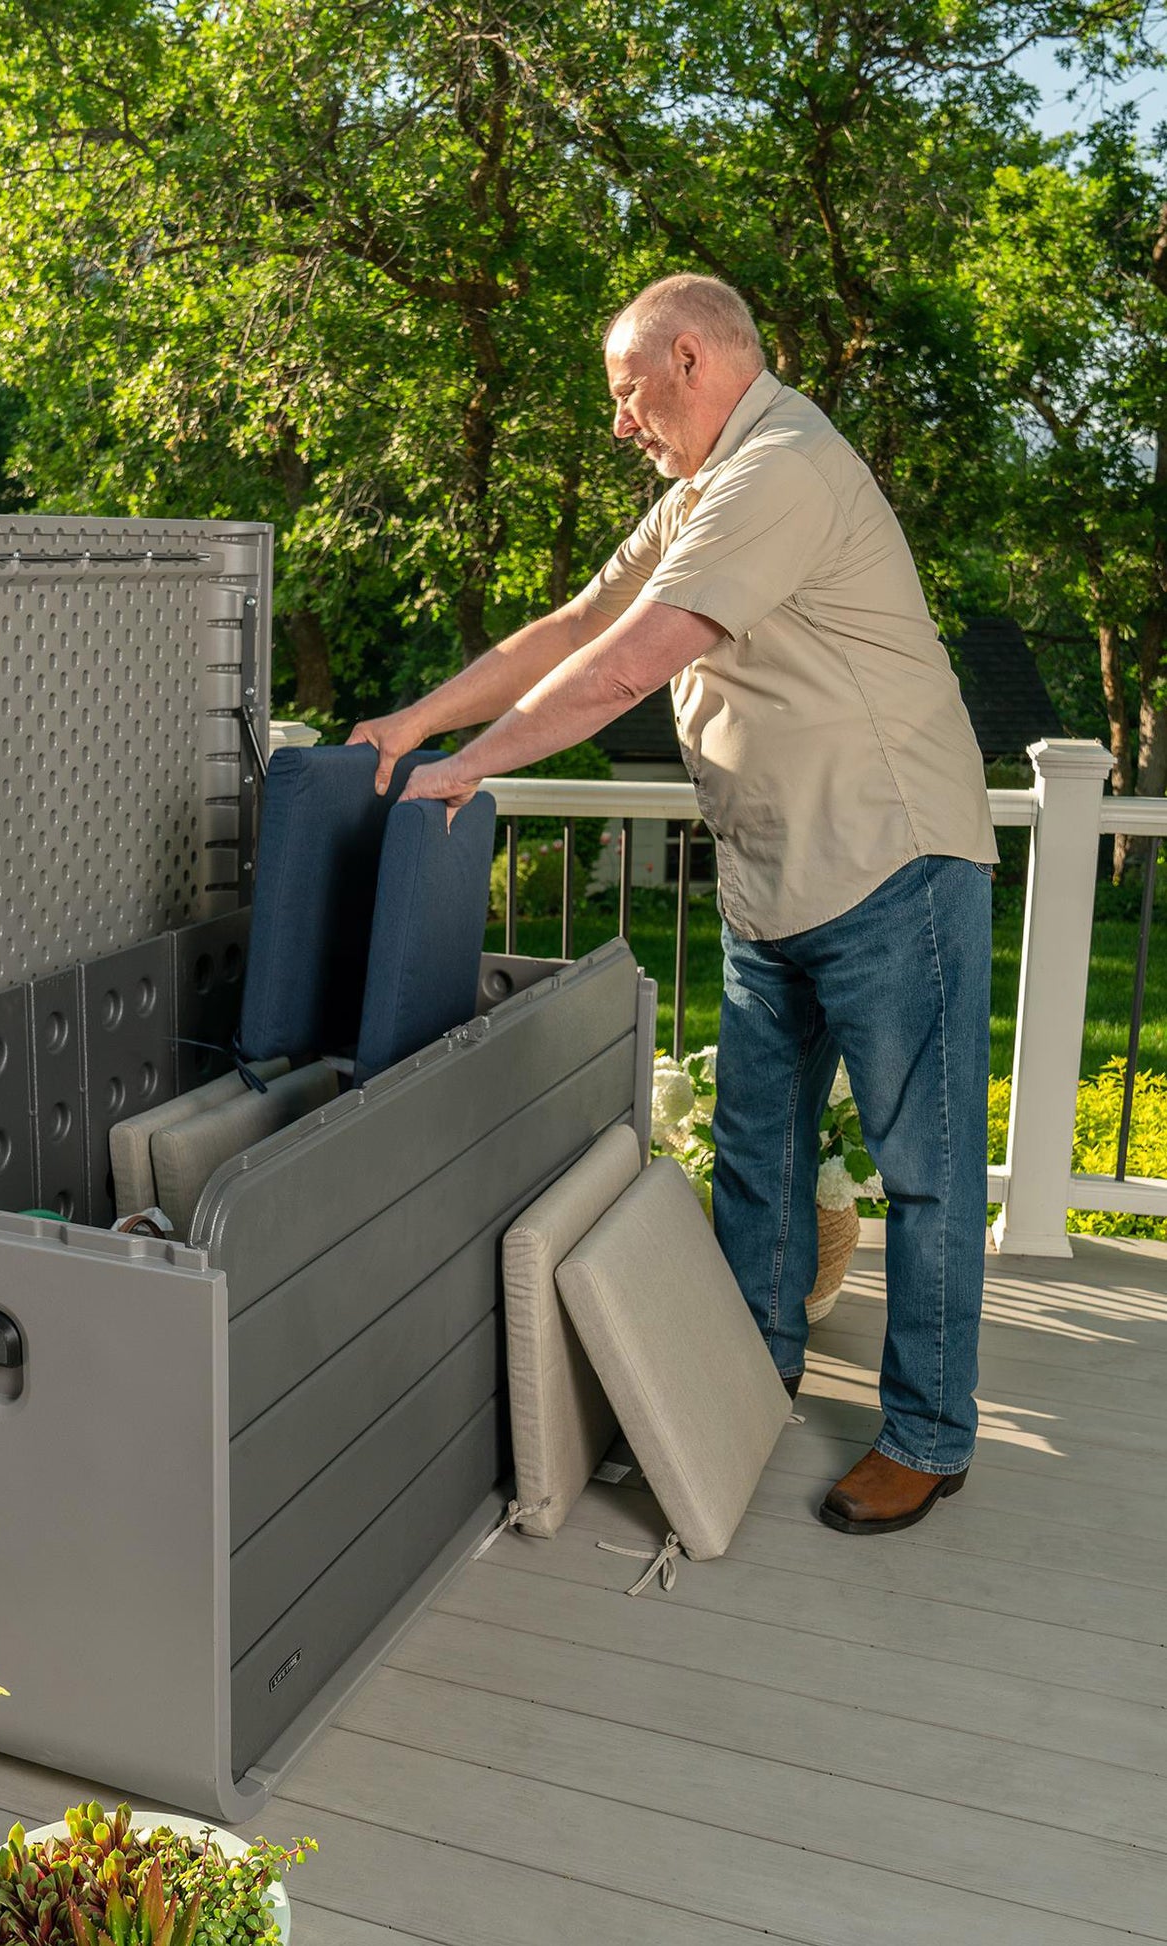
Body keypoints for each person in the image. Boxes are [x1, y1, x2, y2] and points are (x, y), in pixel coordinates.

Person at [351, 272, 995, 1537]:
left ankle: (927, 1435)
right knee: (756, 1156)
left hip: (887, 863)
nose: (617, 420)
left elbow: (633, 664)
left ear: (689, 358)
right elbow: (580, 620)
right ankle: (748, 1382)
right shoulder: (700, 490)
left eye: (624, 389)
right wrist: (419, 720)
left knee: (922, 1169)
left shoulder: (782, 471)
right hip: (774, 880)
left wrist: (477, 765)